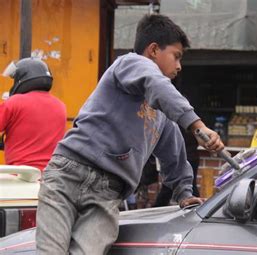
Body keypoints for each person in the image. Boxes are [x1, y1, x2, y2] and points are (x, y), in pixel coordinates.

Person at [35, 14, 224, 254]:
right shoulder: (130, 63)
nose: (179, 66)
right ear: (154, 50)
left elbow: (173, 157)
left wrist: (184, 193)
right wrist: (198, 126)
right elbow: (156, 84)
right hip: (69, 173)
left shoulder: (162, 114)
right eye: (176, 56)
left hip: (107, 192)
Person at [0, 58, 66, 170]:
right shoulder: (60, 105)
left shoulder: (14, 102)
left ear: (21, 79)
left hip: (20, 175)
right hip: (51, 175)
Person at [154, 127, 200, 207]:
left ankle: (196, 206)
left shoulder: (178, 122)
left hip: (187, 155)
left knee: (169, 187)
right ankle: (197, 206)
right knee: (170, 187)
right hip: (188, 155)